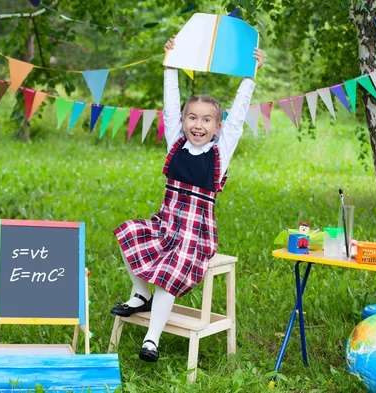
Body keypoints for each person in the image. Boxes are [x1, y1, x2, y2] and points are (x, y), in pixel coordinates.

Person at [111, 35, 264, 362]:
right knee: (128, 231)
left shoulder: (220, 151)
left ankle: (151, 340)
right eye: (192, 117)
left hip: (197, 235)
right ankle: (141, 295)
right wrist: (170, 64)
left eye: (207, 119)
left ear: (217, 126)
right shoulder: (175, 143)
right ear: (183, 120)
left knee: (169, 271)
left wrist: (250, 75)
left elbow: (238, 115)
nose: (198, 124)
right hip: (167, 223)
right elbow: (170, 101)